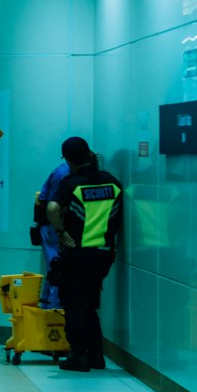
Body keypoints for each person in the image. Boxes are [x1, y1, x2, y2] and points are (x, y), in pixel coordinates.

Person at [47, 136, 123, 373]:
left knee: (74, 305)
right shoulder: (112, 182)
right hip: (103, 254)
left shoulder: (71, 184)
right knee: (90, 305)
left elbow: (51, 208)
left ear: (68, 159)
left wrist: (61, 231)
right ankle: (96, 356)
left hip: (77, 253)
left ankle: (79, 356)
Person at [35, 156, 71, 308]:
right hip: (54, 227)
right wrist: (61, 230)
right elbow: (52, 206)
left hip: (52, 227)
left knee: (54, 271)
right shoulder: (64, 174)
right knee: (58, 271)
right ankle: (54, 315)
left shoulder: (63, 171)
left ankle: (47, 311)